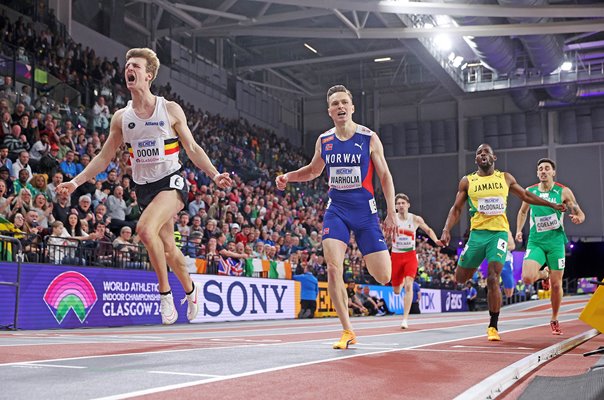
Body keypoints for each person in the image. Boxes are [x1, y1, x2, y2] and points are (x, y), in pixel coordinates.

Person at [57, 48, 232, 325]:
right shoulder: (121, 118)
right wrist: (76, 181)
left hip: (172, 181)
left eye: (136, 66)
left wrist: (213, 174)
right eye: (128, 65)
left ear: (148, 75)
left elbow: (193, 147)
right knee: (168, 248)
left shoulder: (170, 109)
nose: (130, 69)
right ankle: (191, 290)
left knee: (143, 229)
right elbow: (104, 158)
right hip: (144, 188)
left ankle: (165, 296)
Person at [276, 84, 396, 349]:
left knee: (384, 276)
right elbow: (312, 171)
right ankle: (347, 330)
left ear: (352, 107)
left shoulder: (368, 137)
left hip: (366, 213)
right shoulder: (325, 140)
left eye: (344, 102)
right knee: (332, 267)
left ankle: (375, 255)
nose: (340, 107)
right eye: (335, 104)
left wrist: (391, 213)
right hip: (337, 211)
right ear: (329, 111)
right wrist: (288, 176)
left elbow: (385, 176)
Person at [440, 144, 566, 341]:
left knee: (492, 276)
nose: (483, 155)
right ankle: (472, 264)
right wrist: (446, 229)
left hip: (498, 234)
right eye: (479, 153)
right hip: (476, 235)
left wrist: (551, 204)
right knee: (461, 278)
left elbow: (526, 196)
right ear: (476, 160)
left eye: (486, 152)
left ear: (494, 157)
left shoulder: (505, 178)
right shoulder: (468, 181)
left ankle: (493, 325)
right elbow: (456, 209)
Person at [515, 158, 585, 335]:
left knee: (556, 285)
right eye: (540, 169)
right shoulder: (530, 191)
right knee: (528, 278)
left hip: (555, 243)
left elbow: (579, 212)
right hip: (536, 241)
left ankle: (554, 318)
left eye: (547, 168)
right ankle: (544, 273)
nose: (543, 171)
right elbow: (523, 211)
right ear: (537, 173)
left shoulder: (563, 192)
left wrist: (579, 218)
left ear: (553, 172)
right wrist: (518, 230)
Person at [392, 193, 442, 329]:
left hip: (410, 255)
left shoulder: (415, 219)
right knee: (396, 291)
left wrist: (436, 240)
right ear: (395, 206)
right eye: (398, 203)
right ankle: (400, 279)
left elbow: (428, 229)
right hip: (395, 256)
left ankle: (405, 319)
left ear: (408, 205)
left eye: (403, 203)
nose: (401, 206)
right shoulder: (392, 218)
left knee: (409, 286)